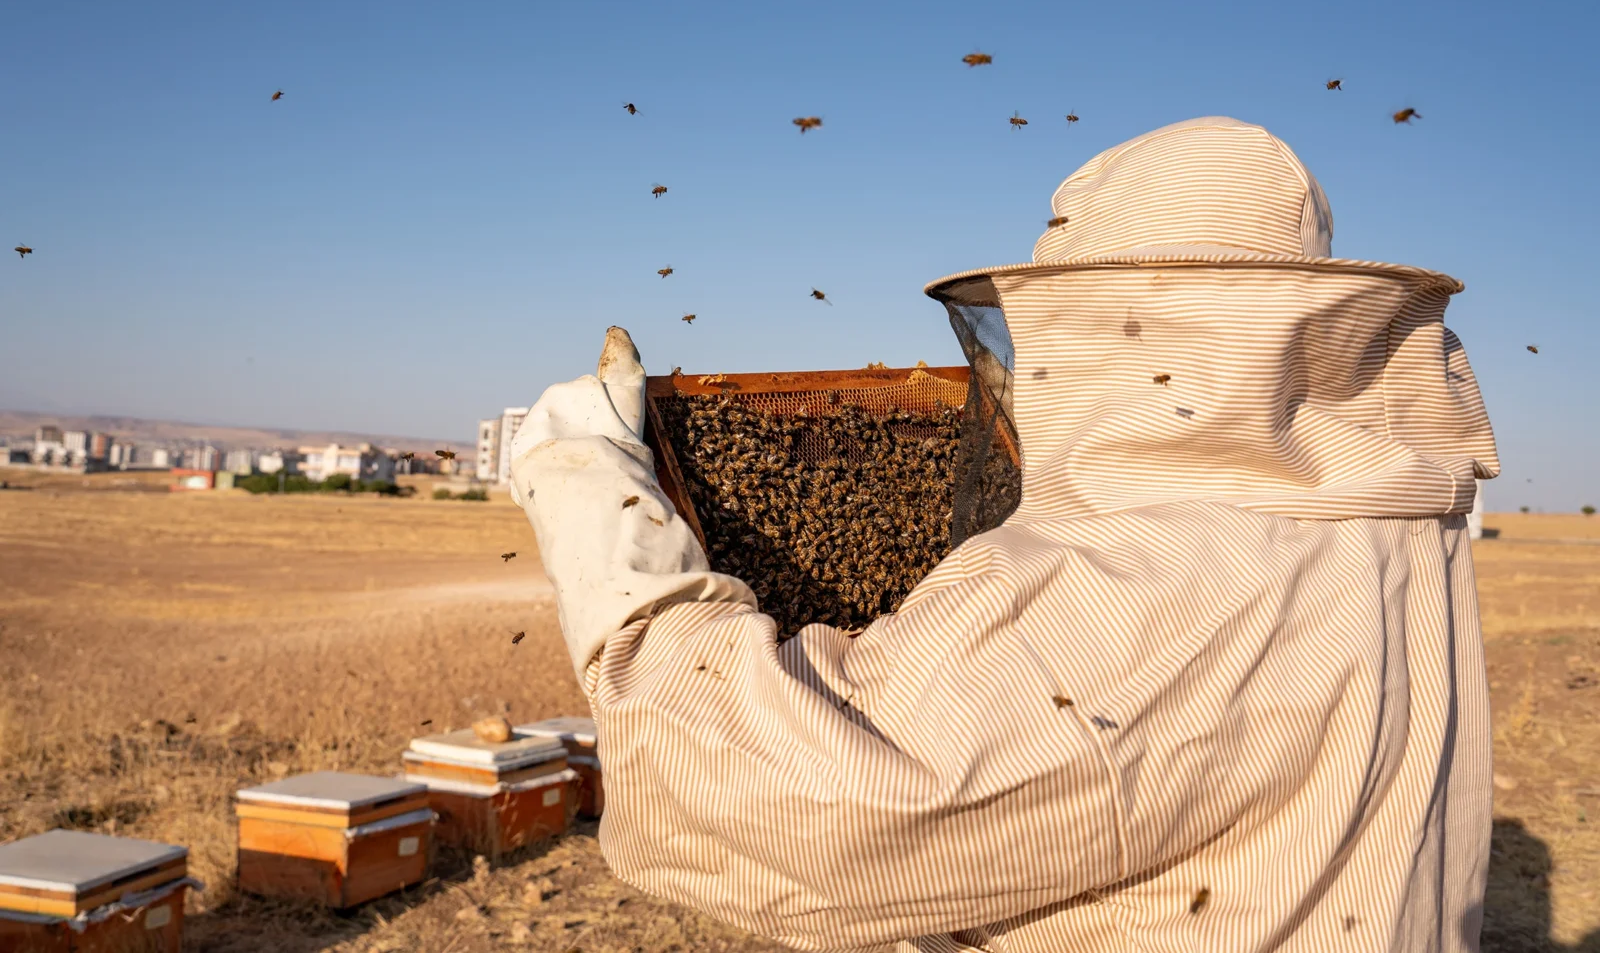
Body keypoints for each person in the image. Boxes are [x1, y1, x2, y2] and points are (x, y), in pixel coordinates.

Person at [509, 117, 1500, 953]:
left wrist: (591, 487)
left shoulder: (1129, 576)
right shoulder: (1385, 519)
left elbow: (785, 806)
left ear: (1118, 323)